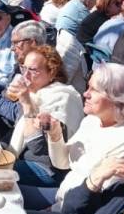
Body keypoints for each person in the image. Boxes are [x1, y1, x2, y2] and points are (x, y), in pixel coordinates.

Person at [22, 63, 124, 214]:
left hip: (77, 213)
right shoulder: (93, 120)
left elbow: (97, 197)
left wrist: (52, 210)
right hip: (62, 196)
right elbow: (63, 163)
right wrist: (55, 134)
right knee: (5, 191)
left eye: (94, 90)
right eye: (88, 87)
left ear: (118, 99)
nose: (85, 94)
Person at [10, 47, 86, 186]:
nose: (26, 75)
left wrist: (27, 104)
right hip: (24, 157)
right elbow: (13, 114)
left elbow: (38, 148)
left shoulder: (62, 98)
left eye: (33, 70)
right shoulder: (36, 93)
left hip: (49, 169)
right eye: (23, 68)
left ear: (52, 72)